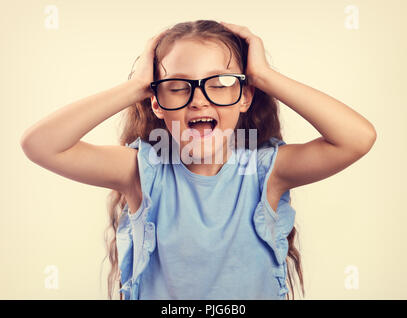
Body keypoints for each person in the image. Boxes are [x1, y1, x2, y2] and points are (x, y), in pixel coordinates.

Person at [20, 20, 377, 300]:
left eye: (220, 82)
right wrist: (137, 86)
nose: (199, 100)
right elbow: (41, 146)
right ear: (156, 102)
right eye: (177, 85)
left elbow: (357, 139)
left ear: (245, 95)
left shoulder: (267, 172)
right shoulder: (141, 173)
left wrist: (265, 76)